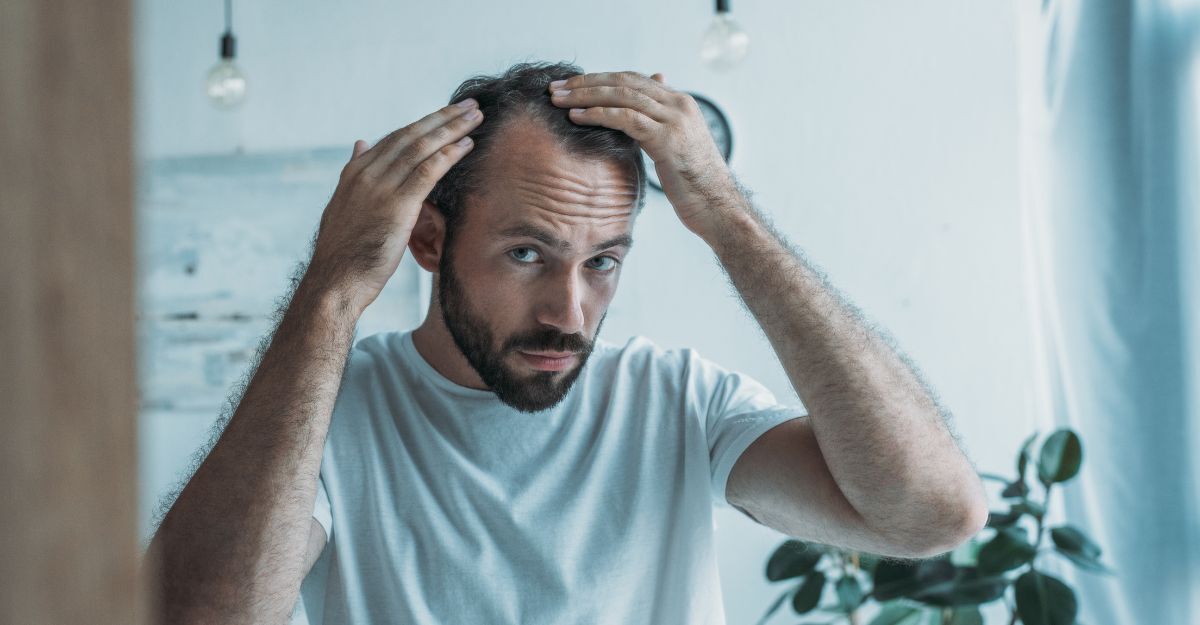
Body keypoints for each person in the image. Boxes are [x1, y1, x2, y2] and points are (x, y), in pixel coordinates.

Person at [146, 60, 989, 625]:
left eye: (603, 261)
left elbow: (930, 514)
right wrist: (331, 292)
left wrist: (728, 219)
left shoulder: (679, 400)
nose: (571, 311)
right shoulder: (332, 412)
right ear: (429, 241)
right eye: (527, 254)